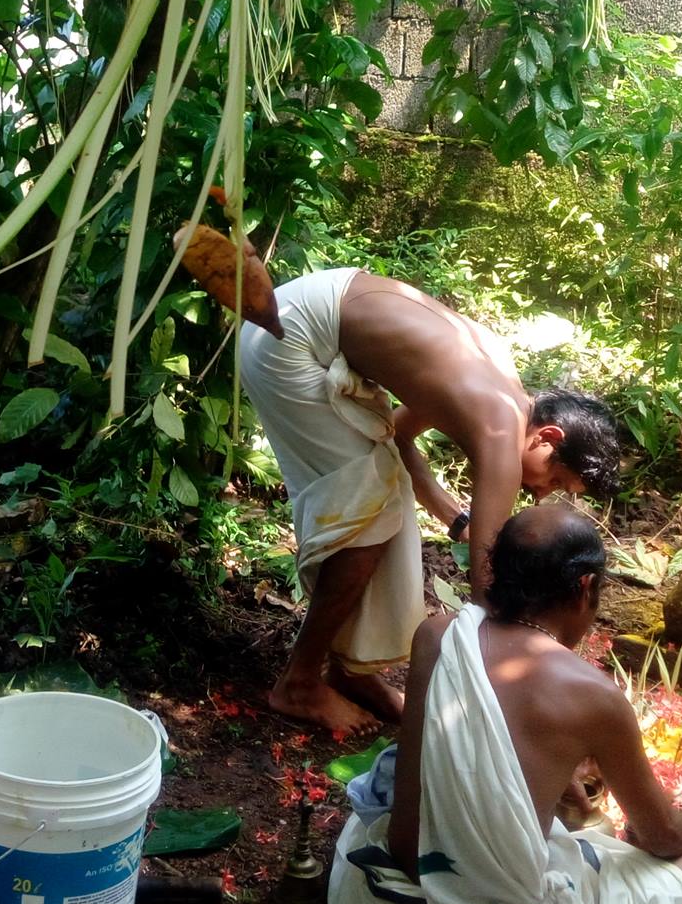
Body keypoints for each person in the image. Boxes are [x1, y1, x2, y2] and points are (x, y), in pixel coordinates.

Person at [328, 507, 682, 904]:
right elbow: (662, 836)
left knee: (586, 825)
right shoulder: (595, 696)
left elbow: (452, 757)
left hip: (381, 897)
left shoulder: (438, 635)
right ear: (585, 586)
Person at [237, 267, 622, 733]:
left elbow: (397, 436)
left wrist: (452, 516)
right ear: (548, 436)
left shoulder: (498, 383)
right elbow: (487, 586)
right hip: (284, 336)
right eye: (556, 480)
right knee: (368, 517)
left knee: (384, 502)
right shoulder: (501, 429)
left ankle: (351, 671)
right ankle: (298, 682)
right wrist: (530, 661)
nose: (542, 494)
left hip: (296, 311)